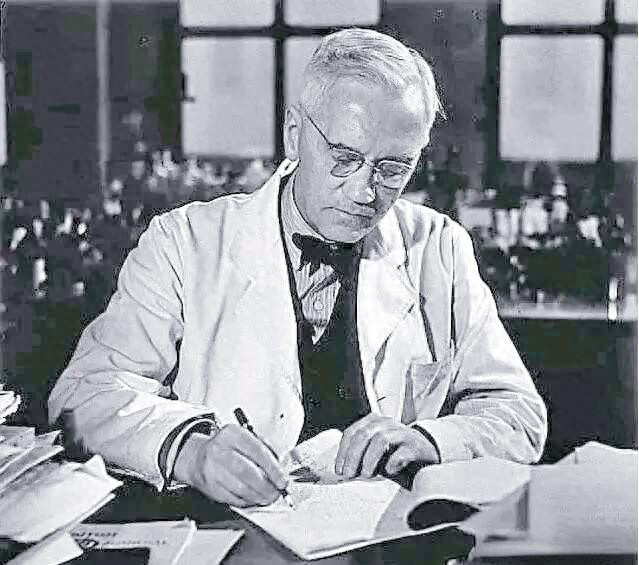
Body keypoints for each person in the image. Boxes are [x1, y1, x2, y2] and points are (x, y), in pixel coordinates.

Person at [49, 29, 547, 508]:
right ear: (294, 135)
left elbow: (519, 415)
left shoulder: (439, 247)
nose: (366, 192)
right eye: (345, 158)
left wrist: (432, 440)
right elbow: (82, 396)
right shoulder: (183, 244)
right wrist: (189, 450)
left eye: (393, 168)